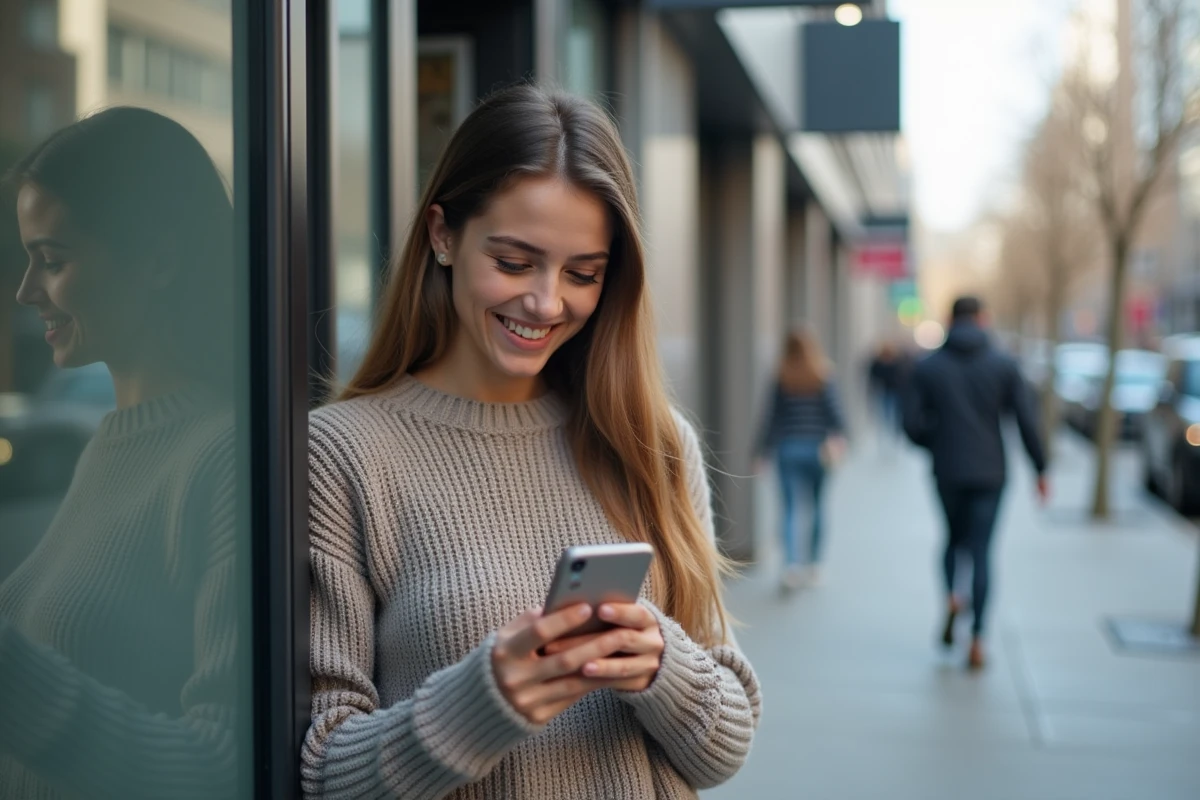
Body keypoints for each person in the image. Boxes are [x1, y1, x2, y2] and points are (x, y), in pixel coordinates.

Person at [302, 84, 761, 799]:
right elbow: (326, 772)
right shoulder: (342, 454)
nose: (547, 303)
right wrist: (487, 700)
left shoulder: (654, 444)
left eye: (583, 274)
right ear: (442, 234)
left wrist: (657, 663)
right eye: (515, 262)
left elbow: (724, 747)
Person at [0, 108, 242, 797]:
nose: (26, 291)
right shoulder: (113, 442)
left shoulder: (224, 458)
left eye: (53, 260)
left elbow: (225, 765)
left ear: (159, 260)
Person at [903, 296, 1048, 670]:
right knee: (982, 551)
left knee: (952, 540)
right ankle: (979, 638)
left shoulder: (929, 366)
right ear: (983, 318)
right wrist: (1041, 469)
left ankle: (953, 595)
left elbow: (910, 425)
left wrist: (936, 442)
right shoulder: (1004, 364)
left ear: (951, 319)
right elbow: (1026, 421)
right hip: (990, 472)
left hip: (948, 469)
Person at [754, 329, 846, 591]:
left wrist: (761, 451)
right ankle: (815, 564)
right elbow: (836, 415)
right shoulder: (824, 374)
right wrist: (839, 437)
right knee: (818, 506)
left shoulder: (782, 376)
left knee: (790, 509)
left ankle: (791, 566)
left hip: (788, 449)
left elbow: (770, 418)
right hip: (818, 449)